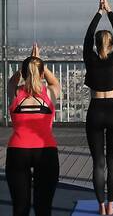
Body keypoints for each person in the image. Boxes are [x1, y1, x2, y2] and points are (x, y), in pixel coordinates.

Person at [6, 43, 61, 216]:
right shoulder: (50, 93)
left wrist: (28, 63)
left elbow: (12, 80)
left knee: (20, 208)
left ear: (23, 74)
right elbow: (54, 81)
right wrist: (39, 62)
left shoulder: (15, 93)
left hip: (17, 151)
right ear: (42, 74)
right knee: (43, 209)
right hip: (46, 151)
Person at [84, 0, 113, 215]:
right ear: (111, 44)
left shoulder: (90, 60)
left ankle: (101, 207)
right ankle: (111, 206)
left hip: (95, 110)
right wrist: (110, 11)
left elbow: (87, 37)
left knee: (98, 162)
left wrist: (99, 13)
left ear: (97, 44)